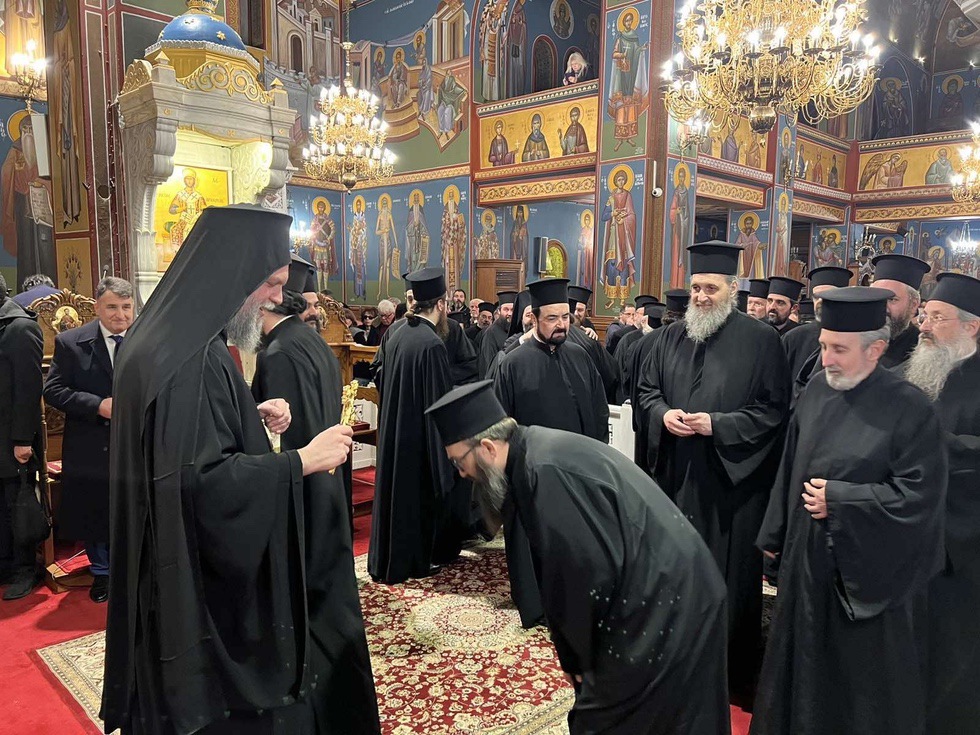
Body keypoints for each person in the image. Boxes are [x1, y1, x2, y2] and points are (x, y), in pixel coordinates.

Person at [101, 204, 358, 734]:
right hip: (195, 602)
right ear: (233, 273)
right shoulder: (192, 359)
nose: (275, 298)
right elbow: (202, 484)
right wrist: (302, 460)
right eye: (270, 283)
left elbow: (182, 443)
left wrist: (248, 415)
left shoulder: (167, 336)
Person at [425, 381, 731, 735]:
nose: (461, 473)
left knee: (611, 717)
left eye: (458, 462)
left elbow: (582, 577)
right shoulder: (533, 453)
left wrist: (580, 659)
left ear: (488, 448)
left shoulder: (544, 470)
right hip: (661, 582)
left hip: (670, 596)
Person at [753, 287, 947, 735]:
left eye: (839, 349)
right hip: (805, 560)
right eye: (824, 346)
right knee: (797, 666)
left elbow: (920, 497)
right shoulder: (817, 390)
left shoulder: (911, 407)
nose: (826, 359)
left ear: (875, 349)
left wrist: (842, 499)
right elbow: (790, 464)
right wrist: (774, 536)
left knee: (852, 689)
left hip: (864, 577)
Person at [636, 241, 789, 705]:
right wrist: (663, 414)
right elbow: (647, 392)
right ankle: (676, 659)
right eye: (696, 288)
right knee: (674, 571)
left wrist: (717, 425)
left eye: (711, 289)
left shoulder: (762, 341)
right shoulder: (669, 337)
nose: (701, 297)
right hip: (677, 476)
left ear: (732, 289)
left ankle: (727, 670)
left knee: (728, 580)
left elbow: (773, 412)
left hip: (730, 486)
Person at [250, 266, 381, 734]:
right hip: (326, 488)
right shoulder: (312, 342)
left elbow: (281, 443)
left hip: (301, 494)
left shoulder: (278, 353)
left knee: (315, 611)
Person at [492, 278, 609, 627]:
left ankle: (572, 600)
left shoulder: (580, 356)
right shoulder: (513, 363)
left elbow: (598, 411)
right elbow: (501, 425)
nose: (561, 325)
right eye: (552, 318)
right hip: (531, 473)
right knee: (532, 541)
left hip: (575, 470)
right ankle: (536, 605)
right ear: (534, 318)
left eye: (566, 317)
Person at [900, 273, 980, 734]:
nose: (924, 326)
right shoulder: (914, 372)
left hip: (964, 548)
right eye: (923, 315)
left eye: (936, 317)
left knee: (952, 655)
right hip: (908, 535)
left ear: (971, 326)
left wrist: (933, 444)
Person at [369, 268, 466, 584]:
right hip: (418, 437)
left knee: (395, 496)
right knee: (417, 499)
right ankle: (414, 561)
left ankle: (390, 559)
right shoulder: (432, 343)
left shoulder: (396, 334)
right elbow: (440, 403)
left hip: (394, 429)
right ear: (441, 305)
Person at [42, 276, 134, 603]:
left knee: (133, 505)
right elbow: (53, 390)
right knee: (97, 509)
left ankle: (135, 568)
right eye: (112, 307)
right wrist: (97, 405)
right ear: (97, 307)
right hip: (91, 441)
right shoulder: (71, 342)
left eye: (126, 307)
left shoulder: (145, 339)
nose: (120, 315)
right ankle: (102, 573)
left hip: (134, 441)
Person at [0, 273, 44, 602]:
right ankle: (5, 564)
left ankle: (25, 568)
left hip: (12, 438)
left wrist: (23, 440)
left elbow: (28, 390)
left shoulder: (20, 328)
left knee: (18, 503)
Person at [628, 289, 687, 476]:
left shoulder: (643, 341)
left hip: (646, 421)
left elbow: (632, 384)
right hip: (679, 428)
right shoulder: (689, 341)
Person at [781, 266, 852, 386]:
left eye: (828, 295)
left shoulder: (857, 338)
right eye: (816, 297)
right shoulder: (794, 338)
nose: (820, 302)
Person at [871, 253, 930, 369]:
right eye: (877, 297)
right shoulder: (856, 338)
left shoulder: (922, 350)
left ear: (913, 305)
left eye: (892, 299)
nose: (883, 307)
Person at [613, 295, 659, 404]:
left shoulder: (661, 338)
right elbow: (619, 370)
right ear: (635, 315)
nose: (644, 318)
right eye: (642, 314)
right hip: (629, 397)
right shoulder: (627, 338)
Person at [477, 290, 517, 377]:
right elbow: (488, 366)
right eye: (506, 309)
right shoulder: (490, 333)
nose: (509, 313)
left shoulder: (518, 330)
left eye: (512, 310)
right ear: (499, 311)